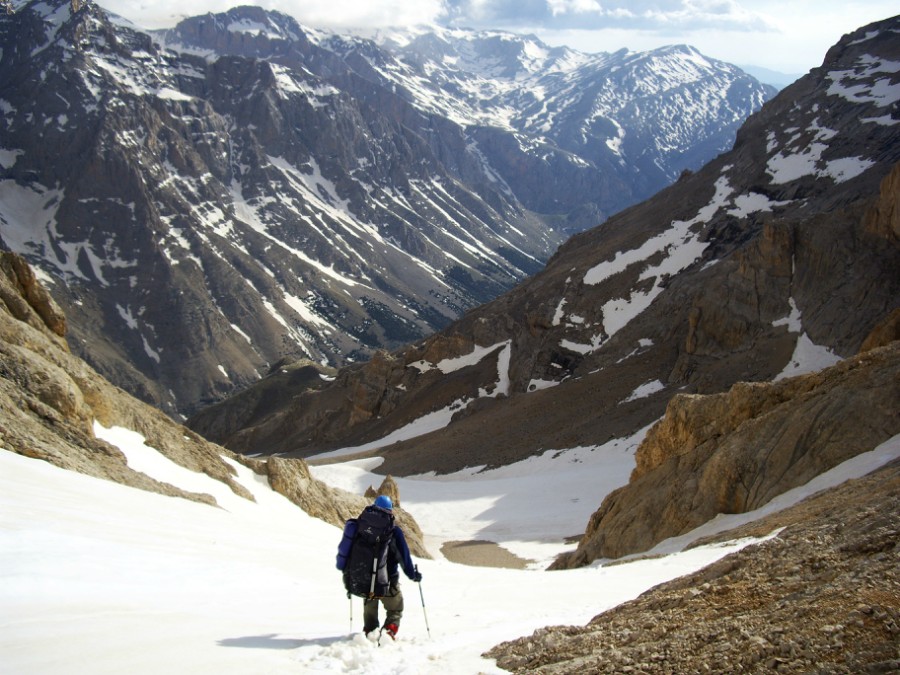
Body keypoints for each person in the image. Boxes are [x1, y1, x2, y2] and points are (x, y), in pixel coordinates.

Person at [336, 495, 422, 639]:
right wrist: (413, 574)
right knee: (395, 609)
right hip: (388, 581)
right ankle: (388, 633)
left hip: (365, 580)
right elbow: (404, 558)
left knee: (370, 613)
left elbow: (347, 550)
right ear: (390, 511)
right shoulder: (393, 532)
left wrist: (347, 573)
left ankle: (369, 633)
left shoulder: (359, 526)